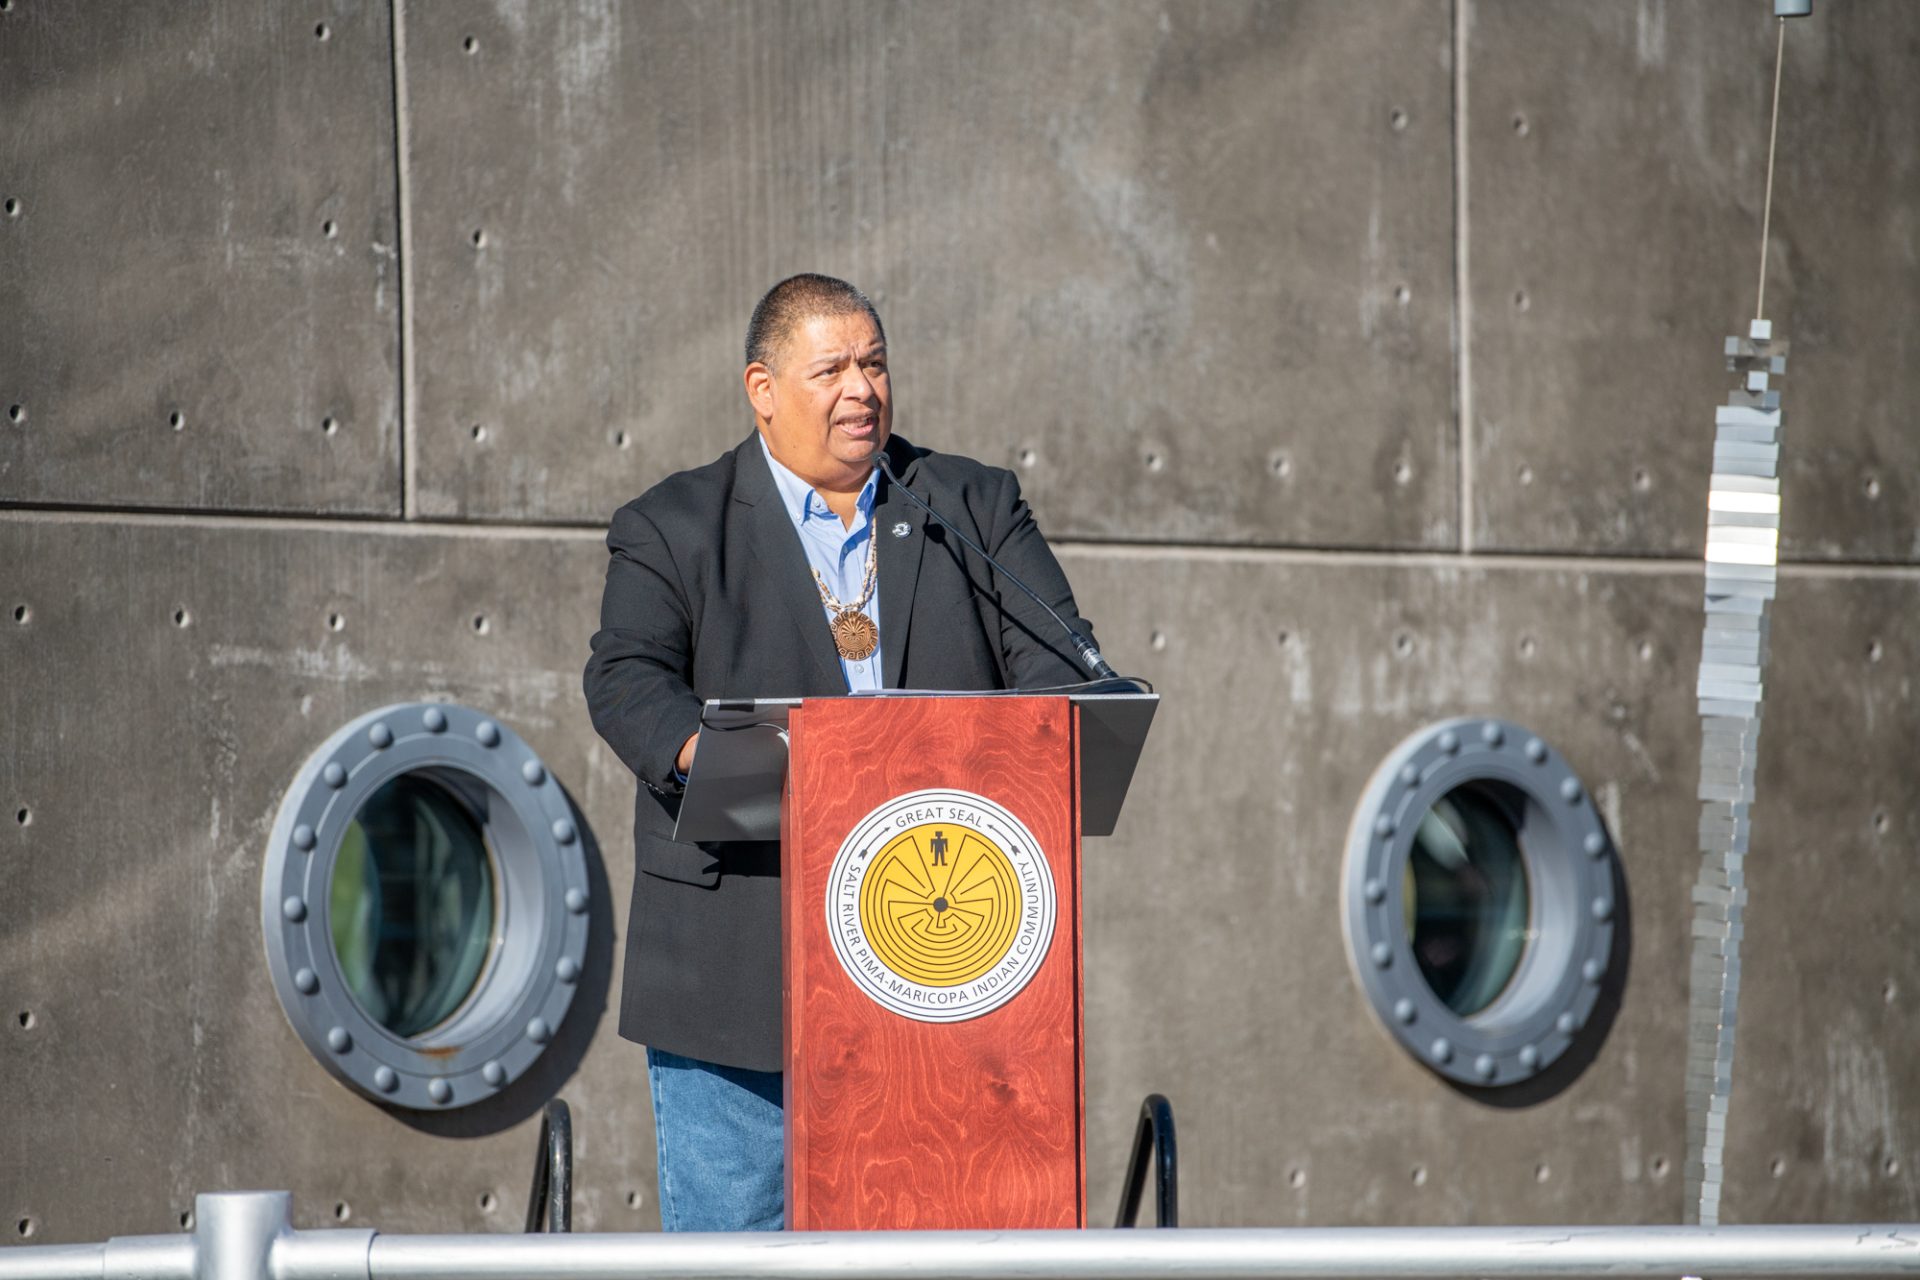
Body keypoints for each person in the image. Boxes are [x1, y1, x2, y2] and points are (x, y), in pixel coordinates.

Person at [582, 273, 1101, 1232]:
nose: (862, 389)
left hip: (946, 963)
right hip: (740, 965)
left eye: (874, 363)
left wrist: (1072, 710)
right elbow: (624, 681)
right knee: (740, 1257)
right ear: (762, 388)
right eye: (831, 369)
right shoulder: (675, 525)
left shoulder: (970, 507)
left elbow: (1062, 675)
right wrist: (716, 756)